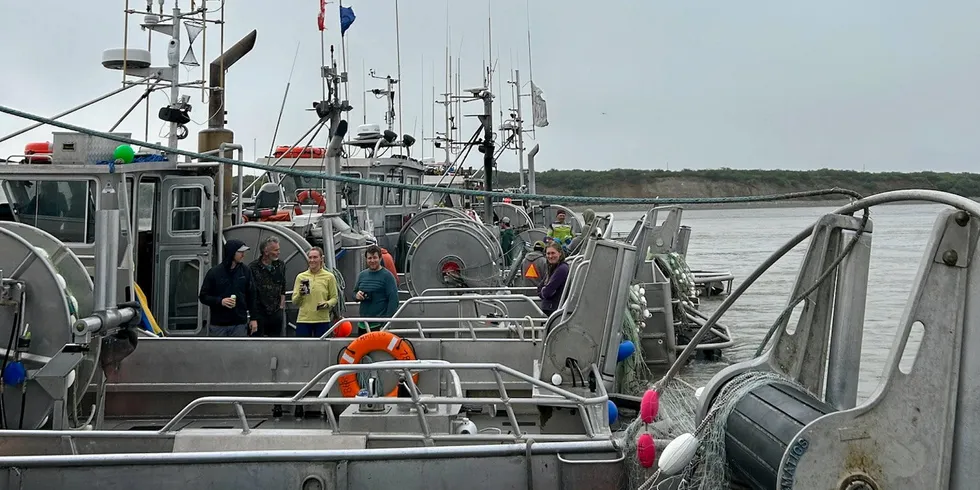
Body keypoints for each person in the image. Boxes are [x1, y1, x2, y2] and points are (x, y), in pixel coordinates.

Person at [198, 239, 259, 336]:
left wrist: (253, 318)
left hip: (239, 323)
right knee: (219, 350)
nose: (243, 255)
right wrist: (220, 301)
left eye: (244, 252)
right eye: (240, 252)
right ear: (232, 253)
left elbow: (252, 295)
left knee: (238, 350)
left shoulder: (245, 271)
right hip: (218, 324)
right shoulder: (214, 272)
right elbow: (203, 296)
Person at [291, 247, 339, 337]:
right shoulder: (301, 277)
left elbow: (335, 298)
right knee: (303, 348)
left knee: (322, 348)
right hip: (303, 320)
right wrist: (300, 295)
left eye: (315, 257)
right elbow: (294, 301)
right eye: (310, 257)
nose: (312, 260)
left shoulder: (329, 277)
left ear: (321, 258)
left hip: (322, 320)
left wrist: (327, 303)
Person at [353, 245, 400, 334]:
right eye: (369, 258)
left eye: (375, 258)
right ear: (366, 259)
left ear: (380, 258)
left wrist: (385, 324)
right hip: (363, 324)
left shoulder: (388, 276)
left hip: (379, 325)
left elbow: (394, 301)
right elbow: (354, 293)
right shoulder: (362, 275)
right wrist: (356, 296)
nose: (372, 261)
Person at [248, 236, 286, 337]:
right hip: (259, 313)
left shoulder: (281, 265)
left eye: (279, 249)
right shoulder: (252, 268)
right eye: (276, 250)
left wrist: (281, 308)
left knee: (276, 343)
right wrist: (253, 316)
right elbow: (251, 293)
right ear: (266, 251)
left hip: (276, 312)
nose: (278, 252)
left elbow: (283, 287)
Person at [537, 242, 569, 316]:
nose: (550, 256)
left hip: (554, 311)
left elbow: (546, 292)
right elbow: (539, 288)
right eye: (548, 253)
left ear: (560, 253)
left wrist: (544, 291)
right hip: (550, 309)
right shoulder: (552, 268)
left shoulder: (562, 269)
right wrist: (544, 291)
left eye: (553, 253)